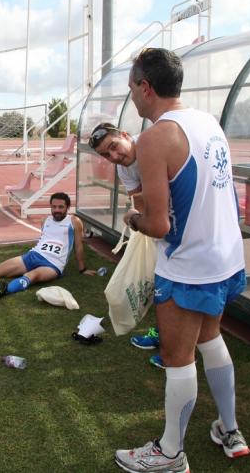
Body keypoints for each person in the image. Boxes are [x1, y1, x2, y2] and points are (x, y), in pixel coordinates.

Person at [114, 48, 250, 473]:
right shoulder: (207, 121)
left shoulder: (157, 137)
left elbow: (157, 225)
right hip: (226, 258)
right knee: (211, 339)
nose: (132, 96)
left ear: (145, 87)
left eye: (133, 87)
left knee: (178, 358)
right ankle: (229, 429)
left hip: (189, 265)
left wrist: (132, 218)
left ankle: (170, 453)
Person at [89, 122, 164, 369]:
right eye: (105, 155)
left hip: (189, 230)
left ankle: (177, 349)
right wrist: (139, 219)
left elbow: (154, 205)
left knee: (180, 295)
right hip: (165, 230)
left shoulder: (151, 145)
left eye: (114, 147)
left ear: (124, 135)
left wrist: (134, 218)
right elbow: (142, 204)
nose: (114, 156)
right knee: (162, 287)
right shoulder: (125, 169)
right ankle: (165, 336)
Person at [0, 192, 94, 298]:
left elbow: (78, 245)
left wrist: (82, 269)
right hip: (34, 255)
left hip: (53, 264)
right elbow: (43, 239)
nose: (57, 210)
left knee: (32, 275)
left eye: (61, 207)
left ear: (68, 207)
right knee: (0, 271)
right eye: (54, 207)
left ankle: (4, 290)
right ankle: (25, 272)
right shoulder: (45, 220)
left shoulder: (74, 221)